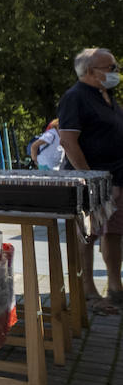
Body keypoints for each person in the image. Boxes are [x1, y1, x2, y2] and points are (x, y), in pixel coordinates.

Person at [58, 47, 123, 312]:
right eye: (110, 67)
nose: (115, 72)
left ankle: (115, 286)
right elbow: (68, 141)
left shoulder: (107, 96)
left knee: (115, 232)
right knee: (87, 234)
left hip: (116, 179)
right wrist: (90, 178)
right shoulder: (75, 97)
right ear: (89, 71)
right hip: (89, 181)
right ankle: (87, 292)